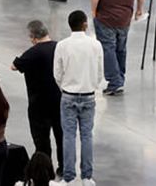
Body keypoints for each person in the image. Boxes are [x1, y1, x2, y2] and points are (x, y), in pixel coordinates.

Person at [91, 0, 145, 97]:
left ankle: (115, 82)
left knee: (108, 48)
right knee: (121, 49)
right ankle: (120, 78)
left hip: (106, 17)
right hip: (125, 17)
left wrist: (93, 11)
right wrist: (139, 9)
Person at [54, 10, 102, 185]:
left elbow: (57, 73)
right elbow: (99, 72)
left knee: (68, 136)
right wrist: (91, 85)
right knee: (87, 135)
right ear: (85, 24)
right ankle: (87, 177)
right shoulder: (95, 45)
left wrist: (65, 87)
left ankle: (69, 177)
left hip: (68, 95)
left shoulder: (62, 45)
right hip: (88, 95)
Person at [11, 20, 62, 176]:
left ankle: (46, 170)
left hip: (38, 103)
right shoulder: (60, 47)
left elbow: (14, 66)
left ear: (33, 37)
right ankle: (65, 167)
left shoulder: (33, 52)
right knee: (61, 136)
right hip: (60, 100)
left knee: (42, 140)